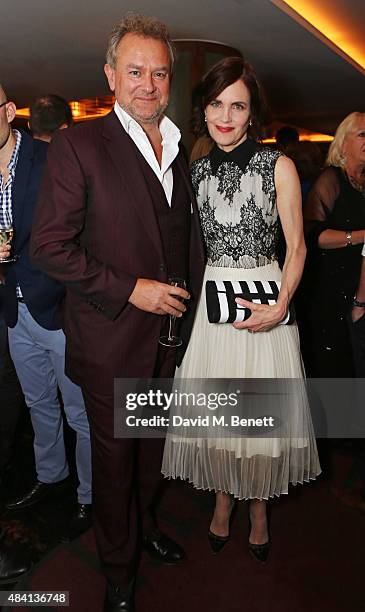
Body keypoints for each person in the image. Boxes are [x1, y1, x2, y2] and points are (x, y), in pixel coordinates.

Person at [31, 14, 205, 612]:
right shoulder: (80, 144)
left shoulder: (180, 149)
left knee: (152, 451)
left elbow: (184, 241)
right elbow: (49, 246)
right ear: (110, 76)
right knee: (113, 464)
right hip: (109, 341)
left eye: (160, 73)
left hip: (167, 339)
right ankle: (117, 569)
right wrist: (132, 289)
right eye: (136, 71)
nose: (149, 84)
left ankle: (146, 524)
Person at [162, 57, 320, 562]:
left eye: (238, 105)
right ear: (203, 110)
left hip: (268, 303)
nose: (225, 116)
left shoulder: (280, 166)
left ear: (253, 114)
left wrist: (280, 307)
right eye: (216, 104)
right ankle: (223, 499)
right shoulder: (197, 171)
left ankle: (257, 509)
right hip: (215, 310)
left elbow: (297, 248)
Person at [0, 85, 92, 558]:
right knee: (39, 406)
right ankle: (50, 477)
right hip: (12, 311)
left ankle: (89, 497)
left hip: (57, 306)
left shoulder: (50, 156)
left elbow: (78, 227)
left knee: (80, 412)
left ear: (9, 112)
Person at [303, 112, 365, 377]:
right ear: (343, 143)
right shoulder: (331, 179)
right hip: (330, 293)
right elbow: (313, 236)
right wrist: (361, 235)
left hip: (359, 288)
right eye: (362, 134)